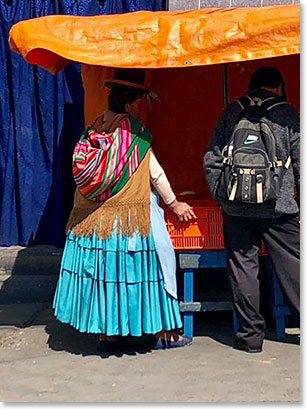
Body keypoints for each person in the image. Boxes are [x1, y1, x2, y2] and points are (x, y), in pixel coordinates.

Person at [53, 69, 196, 351]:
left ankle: (108, 334)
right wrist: (174, 204)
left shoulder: (94, 127)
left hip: (93, 220)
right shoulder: (134, 134)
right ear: (131, 103)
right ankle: (161, 334)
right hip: (127, 220)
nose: (141, 108)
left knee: (105, 277)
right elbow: (155, 174)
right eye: (139, 102)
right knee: (141, 273)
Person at [203, 67, 300, 353]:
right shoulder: (287, 114)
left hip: (237, 208)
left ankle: (250, 337)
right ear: (279, 87)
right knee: (296, 266)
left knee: (243, 268)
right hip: (278, 208)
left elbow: (211, 159)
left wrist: (223, 198)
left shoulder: (232, 111)